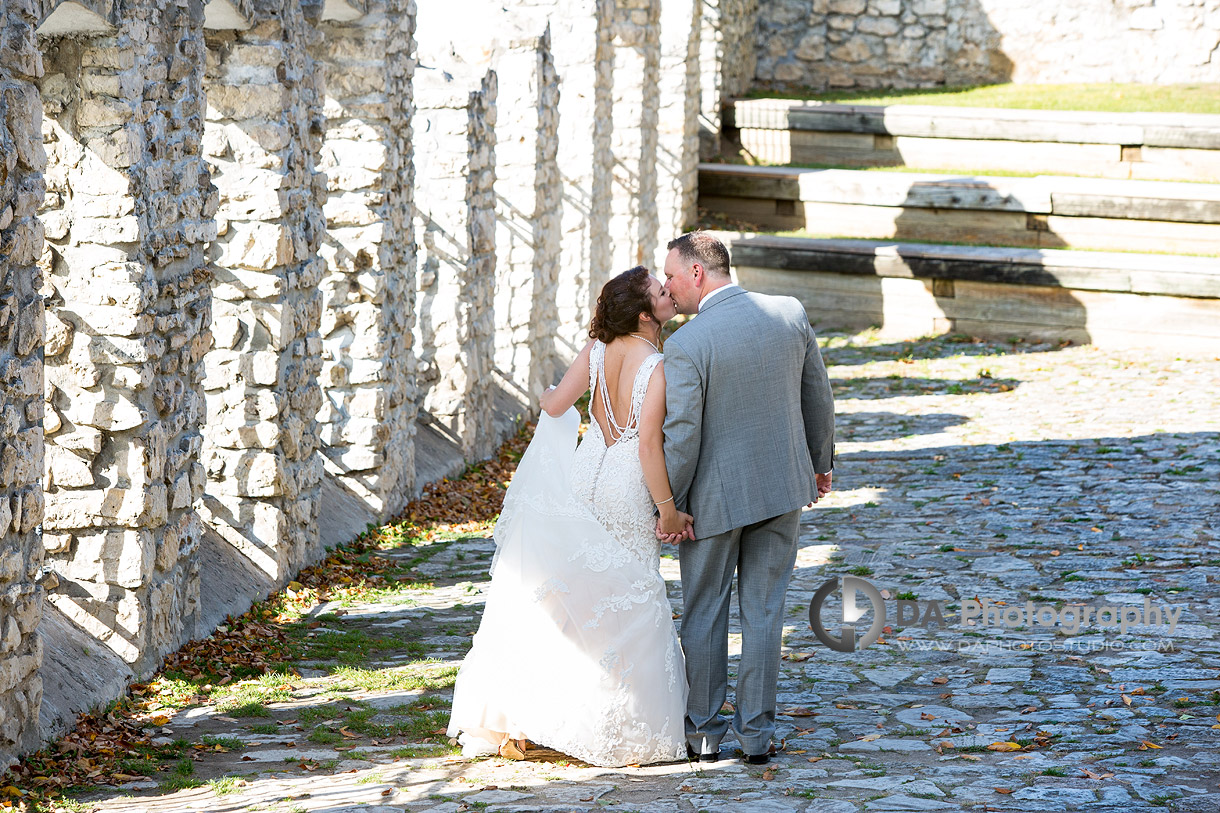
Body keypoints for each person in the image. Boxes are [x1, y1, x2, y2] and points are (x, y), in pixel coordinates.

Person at [446, 266, 691, 767]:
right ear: (646, 315)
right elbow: (647, 445)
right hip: (625, 483)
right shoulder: (657, 364)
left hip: (586, 472)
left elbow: (556, 404)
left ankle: (540, 711)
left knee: (574, 593)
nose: (671, 296)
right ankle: (615, 724)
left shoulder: (597, 350)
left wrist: (551, 402)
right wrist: (668, 510)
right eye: (662, 293)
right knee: (629, 595)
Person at [659, 231, 834, 765]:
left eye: (670, 275)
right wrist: (819, 463)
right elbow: (817, 394)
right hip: (781, 487)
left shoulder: (687, 344)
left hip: (710, 501)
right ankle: (756, 735)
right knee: (764, 610)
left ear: (696, 273)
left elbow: (683, 434)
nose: (666, 287)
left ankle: (703, 734)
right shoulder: (789, 313)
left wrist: (671, 504)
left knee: (704, 610)